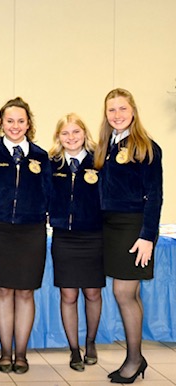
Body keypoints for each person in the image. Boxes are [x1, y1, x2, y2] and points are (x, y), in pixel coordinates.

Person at [94, 88, 162, 384]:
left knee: (124, 293)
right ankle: (136, 356)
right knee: (126, 293)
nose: (117, 115)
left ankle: (135, 359)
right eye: (111, 110)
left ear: (133, 111)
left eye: (122, 109)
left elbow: (155, 197)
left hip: (133, 227)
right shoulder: (104, 147)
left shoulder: (146, 147)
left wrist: (148, 236)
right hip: (108, 226)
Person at [0, 97, 51, 375]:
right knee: (2, 290)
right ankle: (4, 352)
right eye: (9, 121)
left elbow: (50, 194)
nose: (15, 126)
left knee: (25, 292)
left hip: (31, 231)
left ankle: (21, 354)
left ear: (29, 124)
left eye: (21, 121)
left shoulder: (41, 156)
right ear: (1, 123)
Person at [48, 113, 104, 371]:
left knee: (92, 293)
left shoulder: (100, 162)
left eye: (76, 132)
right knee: (68, 294)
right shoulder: (51, 164)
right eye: (65, 133)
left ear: (85, 134)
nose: (71, 138)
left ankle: (90, 342)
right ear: (58, 137)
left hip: (93, 235)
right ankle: (74, 349)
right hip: (64, 237)